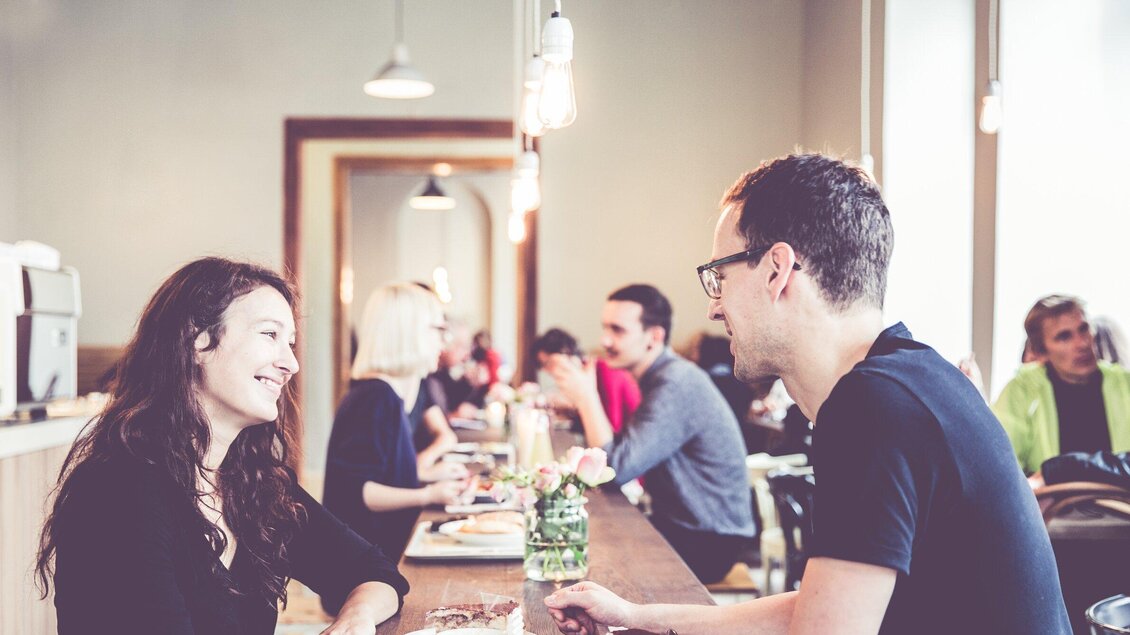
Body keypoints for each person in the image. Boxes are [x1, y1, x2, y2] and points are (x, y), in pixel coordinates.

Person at [545, 154, 1070, 634]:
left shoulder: (872, 407)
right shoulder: (912, 378)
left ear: (777, 270)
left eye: (719, 276)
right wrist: (635, 617)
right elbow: (822, 608)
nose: (713, 306)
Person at [34, 257, 408, 634]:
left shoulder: (253, 484)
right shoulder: (117, 492)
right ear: (198, 340)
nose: (291, 364)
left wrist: (357, 616)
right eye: (270, 334)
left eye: (291, 342)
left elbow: (376, 573)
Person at [546, 284, 754, 585]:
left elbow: (613, 469)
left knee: (587, 556)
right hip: (686, 527)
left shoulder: (677, 382)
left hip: (708, 540)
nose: (605, 340)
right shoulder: (662, 377)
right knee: (581, 541)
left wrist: (586, 396)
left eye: (618, 330)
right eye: (605, 328)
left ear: (654, 337)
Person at [323, 284, 468, 563]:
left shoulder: (385, 394)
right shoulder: (376, 398)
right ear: (409, 333)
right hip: (365, 562)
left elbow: (384, 474)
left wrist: (427, 476)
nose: (444, 342)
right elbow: (358, 493)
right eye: (439, 330)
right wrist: (428, 494)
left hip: (378, 553)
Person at [992, 295, 1130, 477]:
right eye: (1064, 337)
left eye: (1084, 329)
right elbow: (999, 468)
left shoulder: (1125, 384)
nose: (1082, 343)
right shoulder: (1022, 391)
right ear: (1041, 352)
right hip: (1046, 496)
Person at [533, 327, 641, 433]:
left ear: (566, 352)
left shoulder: (606, 371)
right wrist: (571, 411)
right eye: (543, 366)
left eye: (549, 363)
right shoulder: (584, 375)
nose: (549, 371)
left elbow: (612, 431)